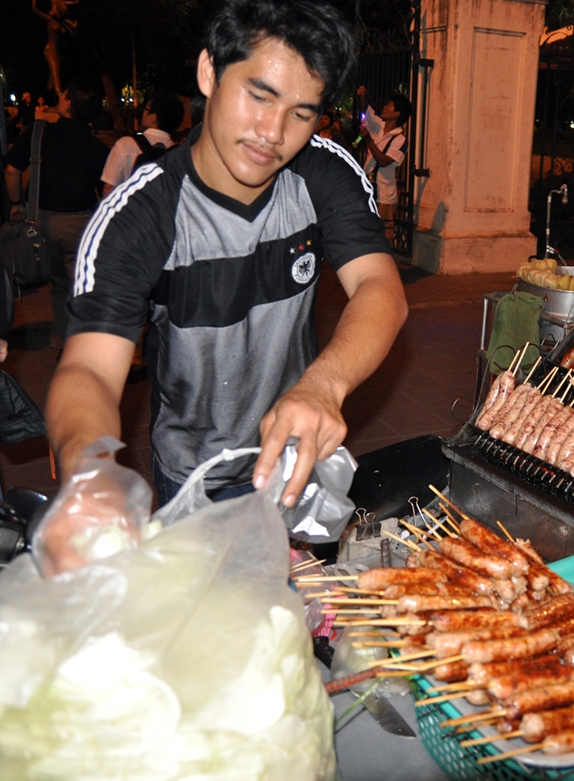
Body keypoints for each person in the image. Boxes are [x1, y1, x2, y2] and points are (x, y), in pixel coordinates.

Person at [43, 0, 407, 575]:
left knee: (294, 622)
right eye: (259, 96)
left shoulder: (323, 172)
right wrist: (90, 475)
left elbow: (379, 288)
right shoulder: (141, 214)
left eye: (301, 113)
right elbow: (87, 370)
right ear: (209, 71)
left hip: (294, 459)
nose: (273, 133)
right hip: (190, 476)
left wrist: (324, 386)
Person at [4, 85, 109, 349]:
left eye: (64, 95)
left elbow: (11, 171)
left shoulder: (39, 133)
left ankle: (61, 340)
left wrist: (16, 203)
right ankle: (91, 340)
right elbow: (105, 192)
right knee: (84, 283)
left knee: (59, 284)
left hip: (41, 222)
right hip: (81, 223)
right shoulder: (97, 146)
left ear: (68, 104)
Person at [100, 91, 185, 196]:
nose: (142, 114)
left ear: (153, 117)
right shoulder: (181, 154)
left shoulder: (125, 144)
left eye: (145, 110)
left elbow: (109, 189)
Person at [356, 86, 411, 244]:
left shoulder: (400, 140)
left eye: (390, 105)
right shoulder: (378, 126)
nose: (385, 107)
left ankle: (384, 266)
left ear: (397, 114)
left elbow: (384, 161)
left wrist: (368, 140)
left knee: (381, 238)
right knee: (365, 233)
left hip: (384, 195)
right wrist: (363, 95)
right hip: (368, 188)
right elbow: (366, 110)